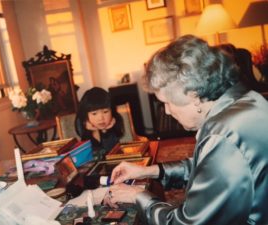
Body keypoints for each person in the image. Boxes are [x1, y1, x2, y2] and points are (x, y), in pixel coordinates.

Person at [105, 35, 268, 225]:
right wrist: (147, 171)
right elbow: (207, 169)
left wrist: (139, 196)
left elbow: (187, 223)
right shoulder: (247, 100)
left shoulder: (222, 135)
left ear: (194, 95)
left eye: (167, 102)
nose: (166, 111)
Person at [75, 87, 124, 159]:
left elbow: (112, 152)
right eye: (94, 113)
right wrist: (92, 129)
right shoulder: (81, 124)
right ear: (86, 114)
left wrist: (105, 132)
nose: (101, 118)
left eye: (105, 112)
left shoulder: (115, 122)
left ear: (112, 111)